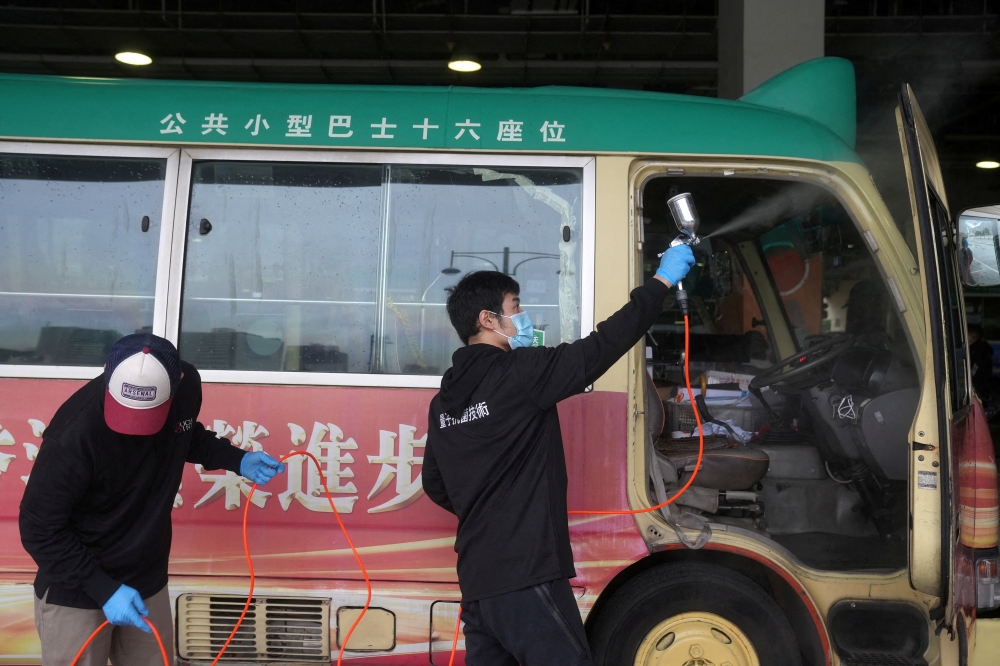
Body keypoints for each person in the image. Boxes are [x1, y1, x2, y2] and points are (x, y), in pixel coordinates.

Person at [421, 244, 695, 666]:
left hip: (477, 582)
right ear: (488, 320)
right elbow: (603, 345)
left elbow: (435, 484)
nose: (523, 315)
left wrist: (489, 507)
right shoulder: (520, 372)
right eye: (516, 306)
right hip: (526, 574)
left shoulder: (444, 403)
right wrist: (659, 284)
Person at [19, 333, 285, 666]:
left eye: (147, 415)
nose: (134, 431)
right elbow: (39, 529)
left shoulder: (187, 387)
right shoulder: (72, 436)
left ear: (177, 384)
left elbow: (183, 433)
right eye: (126, 414)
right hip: (76, 588)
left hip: (145, 577)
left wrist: (235, 458)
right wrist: (102, 588)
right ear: (107, 373)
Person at [969, 323, 995, 401]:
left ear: (974, 336)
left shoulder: (979, 351)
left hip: (980, 390)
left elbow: (975, 371)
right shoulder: (980, 349)